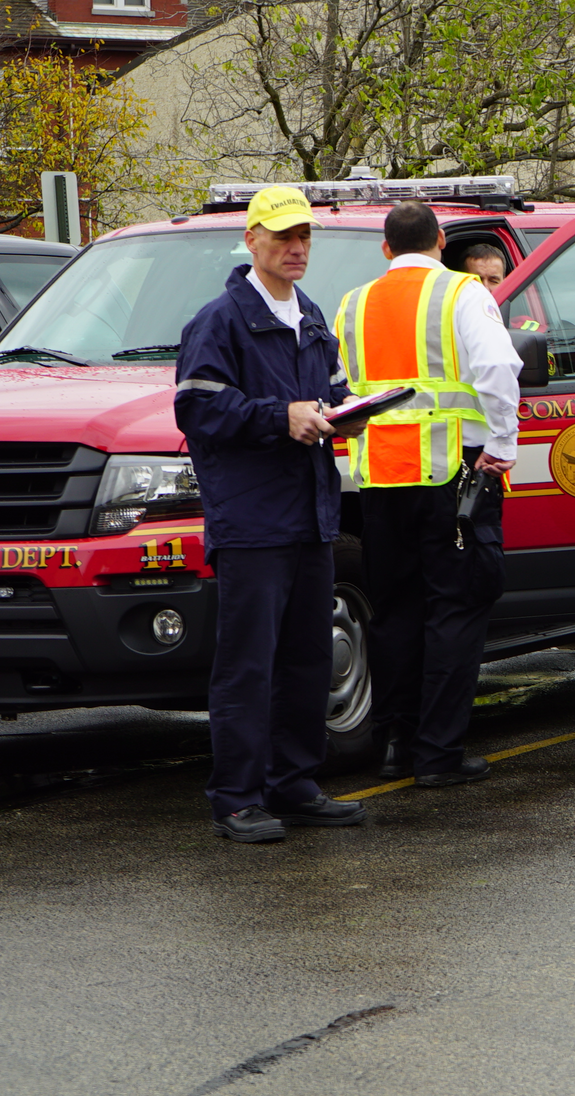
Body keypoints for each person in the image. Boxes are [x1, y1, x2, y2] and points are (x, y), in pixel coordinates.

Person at [175, 186, 369, 843]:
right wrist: (277, 417)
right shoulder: (219, 320)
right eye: (283, 236)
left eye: (305, 236)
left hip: (311, 518)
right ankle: (235, 798)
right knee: (248, 666)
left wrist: (352, 412)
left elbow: (332, 393)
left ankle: (293, 785)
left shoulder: (310, 316)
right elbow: (197, 409)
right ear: (252, 239)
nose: (296, 248)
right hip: (253, 523)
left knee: (307, 661)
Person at [334, 202, 522, 789]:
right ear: (440, 241)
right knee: (456, 611)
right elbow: (496, 369)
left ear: (386, 249)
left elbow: (340, 389)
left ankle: (396, 742)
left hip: (379, 482)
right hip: (452, 476)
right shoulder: (462, 293)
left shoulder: (352, 303)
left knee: (393, 616)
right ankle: (439, 754)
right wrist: (503, 446)